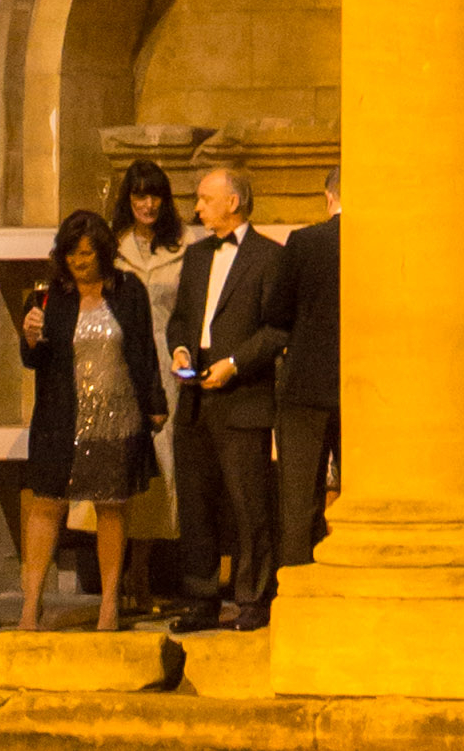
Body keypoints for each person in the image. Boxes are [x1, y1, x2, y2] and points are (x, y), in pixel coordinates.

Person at [14, 205, 162, 630]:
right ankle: (31, 604)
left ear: (103, 252)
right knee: (46, 504)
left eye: (87, 253)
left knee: (111, 507)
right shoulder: (46, 297)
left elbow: (144, 350)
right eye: (72, 253)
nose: (79, 261)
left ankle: (109, 604)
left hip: (116, 417)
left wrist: (155, 405)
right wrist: (29, 337)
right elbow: (33, 360)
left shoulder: (129, 290)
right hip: (61, 418)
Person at [166, 161, 290, 631]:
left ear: (232, 203)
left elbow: (277, 327)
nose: (196, 208)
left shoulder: (269, 257)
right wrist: (178, 348)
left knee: (248, 503)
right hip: (194, 395)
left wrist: (235, 364)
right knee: (195, 502)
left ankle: (254, 598)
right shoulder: (196, 257)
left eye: (204, 199)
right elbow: (181, 318)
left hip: (243, 396)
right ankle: (200, 598)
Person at [104, 158, 191, 615]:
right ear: (128, 198)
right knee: (119, 464)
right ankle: (113, 582)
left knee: (162, 471)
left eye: (155, 194)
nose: (148, 203)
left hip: (170, 363)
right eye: (140, 195)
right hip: (120, 361)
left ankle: (143, 574)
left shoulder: (185, 244)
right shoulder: (112, 247)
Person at [275, 176, 342, 570]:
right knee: (362, 497)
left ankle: (297, 591)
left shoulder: (304, 242)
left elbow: (278, 313)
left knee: (299, 500)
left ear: (328, 196)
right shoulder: (379, 241)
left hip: (305, 384)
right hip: (364, 389)